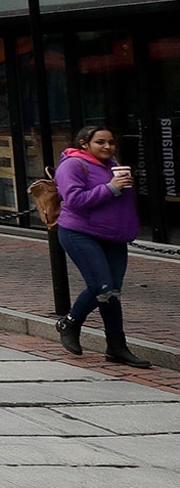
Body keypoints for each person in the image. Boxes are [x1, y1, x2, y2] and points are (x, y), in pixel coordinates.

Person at [53, 125, 151, 367]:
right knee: (101, 286)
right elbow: (75, 200)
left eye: (111, 142)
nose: (107, 147)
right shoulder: (73, 165)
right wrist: (111, 187)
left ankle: (116, 347)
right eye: (100, 142)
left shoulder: (112, 165)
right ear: (85, 143)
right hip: (80, 232)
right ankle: (70, 322)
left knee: (112, 292)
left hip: (113, 237)